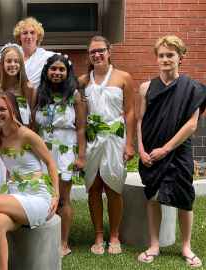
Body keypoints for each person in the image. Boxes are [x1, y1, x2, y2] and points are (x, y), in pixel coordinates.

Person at [136, 35, 206, 268]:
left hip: (178, 151)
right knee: (153, 197)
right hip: (150, 150)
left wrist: (166, 149)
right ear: (156, 58)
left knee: (185, 199)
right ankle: (154, 244)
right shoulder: (146, 88)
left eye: (170, 55)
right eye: (161, 55)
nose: (165, 59)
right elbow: (139, 120)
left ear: (181, 57)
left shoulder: (192, 88)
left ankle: (186, 246)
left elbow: (191, 124)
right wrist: (140, 148)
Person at [0, 92, 59, 270]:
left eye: (2, 109)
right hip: (17, 196)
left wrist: (55, 195)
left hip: (37, 197)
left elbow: (50, 162)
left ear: (13, 111)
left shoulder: (26, 134)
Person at [78, 35, 135, 255]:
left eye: (100, 50)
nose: (97, 55)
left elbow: (130, 113)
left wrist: (130, 144)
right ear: (89, 56)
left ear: (109, 52)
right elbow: (80, 118)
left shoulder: (123, 78)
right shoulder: (83, 81)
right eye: (93, 52)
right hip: (92, 140)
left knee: (114, 188)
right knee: (93, 188)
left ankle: (114, 236)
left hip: (115, 140)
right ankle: (98, 235)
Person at [33, 53, 87, 257]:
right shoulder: (39, 94)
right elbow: (32, 124)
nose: (56, 73)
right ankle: (44, 239)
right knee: (43, 196)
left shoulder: (74, 95)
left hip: (65, 151)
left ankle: (63, 243)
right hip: (42, 151)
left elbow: (81, 128)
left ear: (67, 72)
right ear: (47, 72)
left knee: (63, 198)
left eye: (61, 69)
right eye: (53, 69)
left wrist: (81, 156)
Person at [0, 43, 36, 126]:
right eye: (9, 61)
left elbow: (32, 119)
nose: (13, 64)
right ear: (2, 64)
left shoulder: (28, 88)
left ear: (21, 64)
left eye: (16, 61)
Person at [13, 17, 55, 89]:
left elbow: (65, 64)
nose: (29, 36)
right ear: (19, 37)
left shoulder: (47, 56)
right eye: (25, 33)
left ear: (38, 36)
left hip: (37, 97)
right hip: (14, 95)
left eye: (32, 33)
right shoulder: (13, 56)